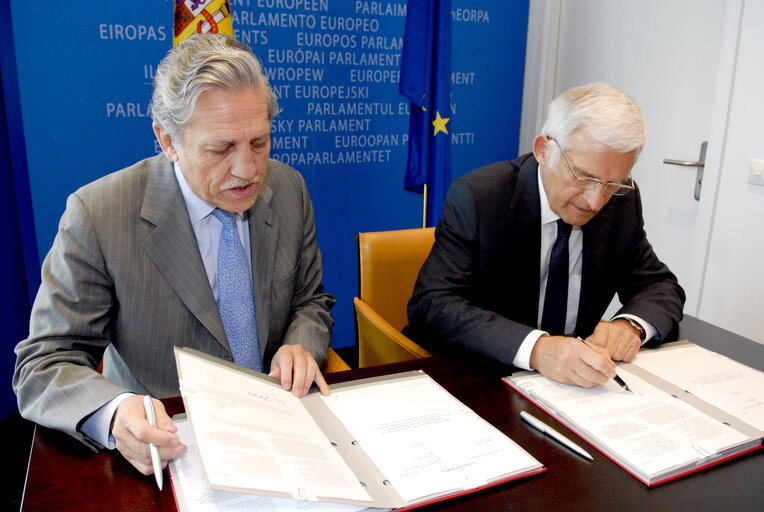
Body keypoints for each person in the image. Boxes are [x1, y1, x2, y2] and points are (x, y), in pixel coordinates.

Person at [13, 34, 335, 477]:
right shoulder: (99, 214)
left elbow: (311, 301)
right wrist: (115, 412)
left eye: (259, 142)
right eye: (221, 148)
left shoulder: (290, 188)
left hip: (282, 434)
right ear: (168, 141)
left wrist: (301, 343)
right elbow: (44, 363)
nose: (248, 170)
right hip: (171, 449)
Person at [406, 82, 685, 388]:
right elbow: (432, 303)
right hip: (482, 376)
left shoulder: (621, 202)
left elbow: (659, 284)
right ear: (543, 150)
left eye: (613, 183)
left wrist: (629, 325)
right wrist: (536, 349)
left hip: (573, 388)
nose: (596, 201)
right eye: (585, 176)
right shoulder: (480, 197)